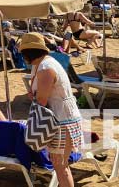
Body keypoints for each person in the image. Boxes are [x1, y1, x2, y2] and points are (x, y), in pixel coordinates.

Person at [20, 33, 83, 187]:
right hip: (60, 118)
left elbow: (41, 100)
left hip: (61, 120)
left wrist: (34, 96)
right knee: (60, 165)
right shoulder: (42, 64)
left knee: (60, 166)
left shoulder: (46, 68)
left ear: (28, 53)